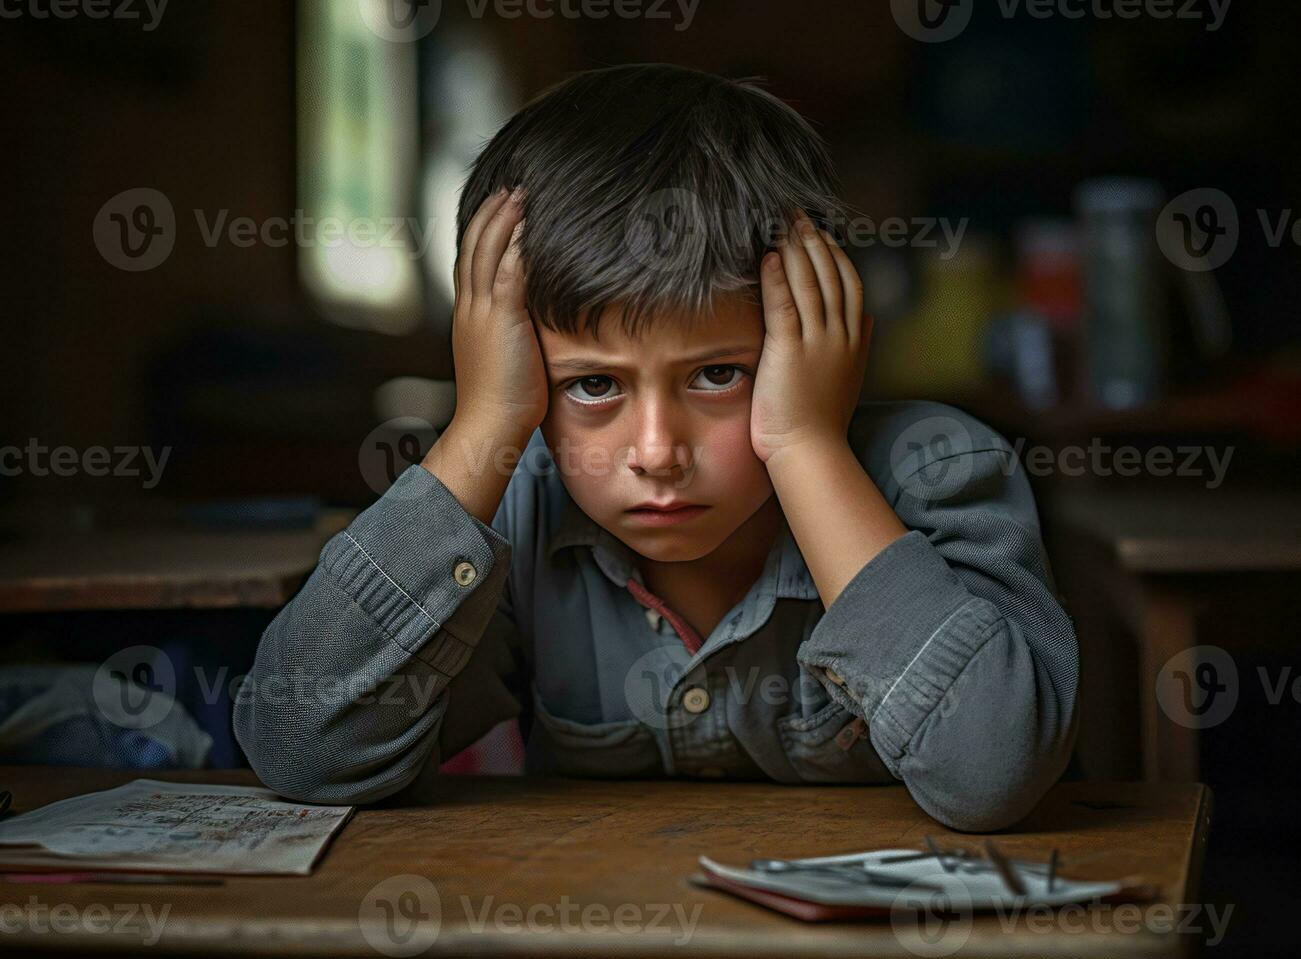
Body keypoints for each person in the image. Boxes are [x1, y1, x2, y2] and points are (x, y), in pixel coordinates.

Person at [235, 63, 1078, 832]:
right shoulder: (520, 505)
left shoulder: (939, 470)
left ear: (821, 340)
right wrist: (483, 426)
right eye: (591, 385)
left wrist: (805, 443)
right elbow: (302, 748)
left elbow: (992, 776)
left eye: (717, 373)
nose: (655, 451)